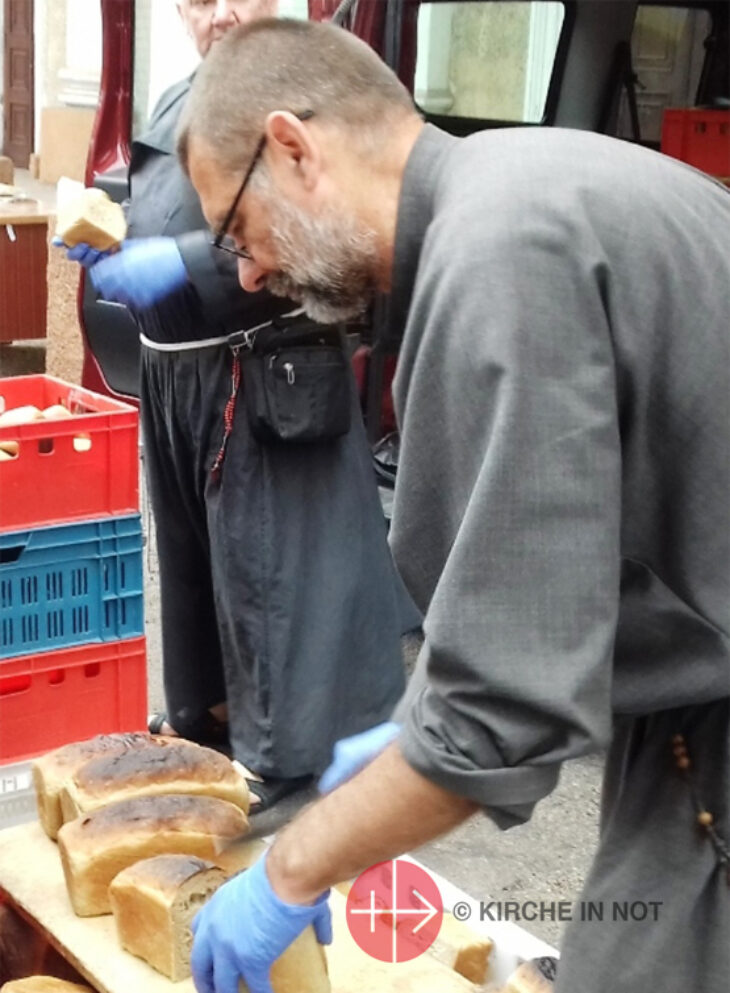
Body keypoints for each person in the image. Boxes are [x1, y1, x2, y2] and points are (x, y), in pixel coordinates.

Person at [175, 17, 730, 993]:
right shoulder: (526, 182)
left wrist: (294, 866)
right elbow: (550, 573)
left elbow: (500, 713)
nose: (249, 273)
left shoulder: (498, 253)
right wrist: (421, 714)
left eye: (237, 232)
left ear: (293, 149)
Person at [61, 1, 420, 812]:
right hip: (176, 372)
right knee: (195, 571)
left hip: (265, 369)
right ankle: (210, 724)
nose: (219, 13)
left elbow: (329, 239)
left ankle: (290, 758)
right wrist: (115, 245)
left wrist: (186, 263)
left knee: (274, 577)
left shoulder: (312, 81)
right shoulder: (176, 98)